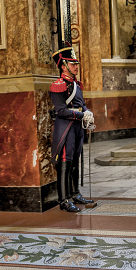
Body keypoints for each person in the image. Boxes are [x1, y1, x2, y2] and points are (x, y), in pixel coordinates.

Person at [50, 46, 95, 212]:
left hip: (77, 128)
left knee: (76, 162)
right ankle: (64, 200)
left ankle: (75, 193)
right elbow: (61, 111)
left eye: (77, 63)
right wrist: (81, 116)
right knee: (65, 163)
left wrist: (88, 112)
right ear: (64, 66)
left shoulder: (77, 85)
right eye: (73, 63)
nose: (77, 66)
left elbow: (81, 105)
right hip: (65, 129)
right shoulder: (58, 85)